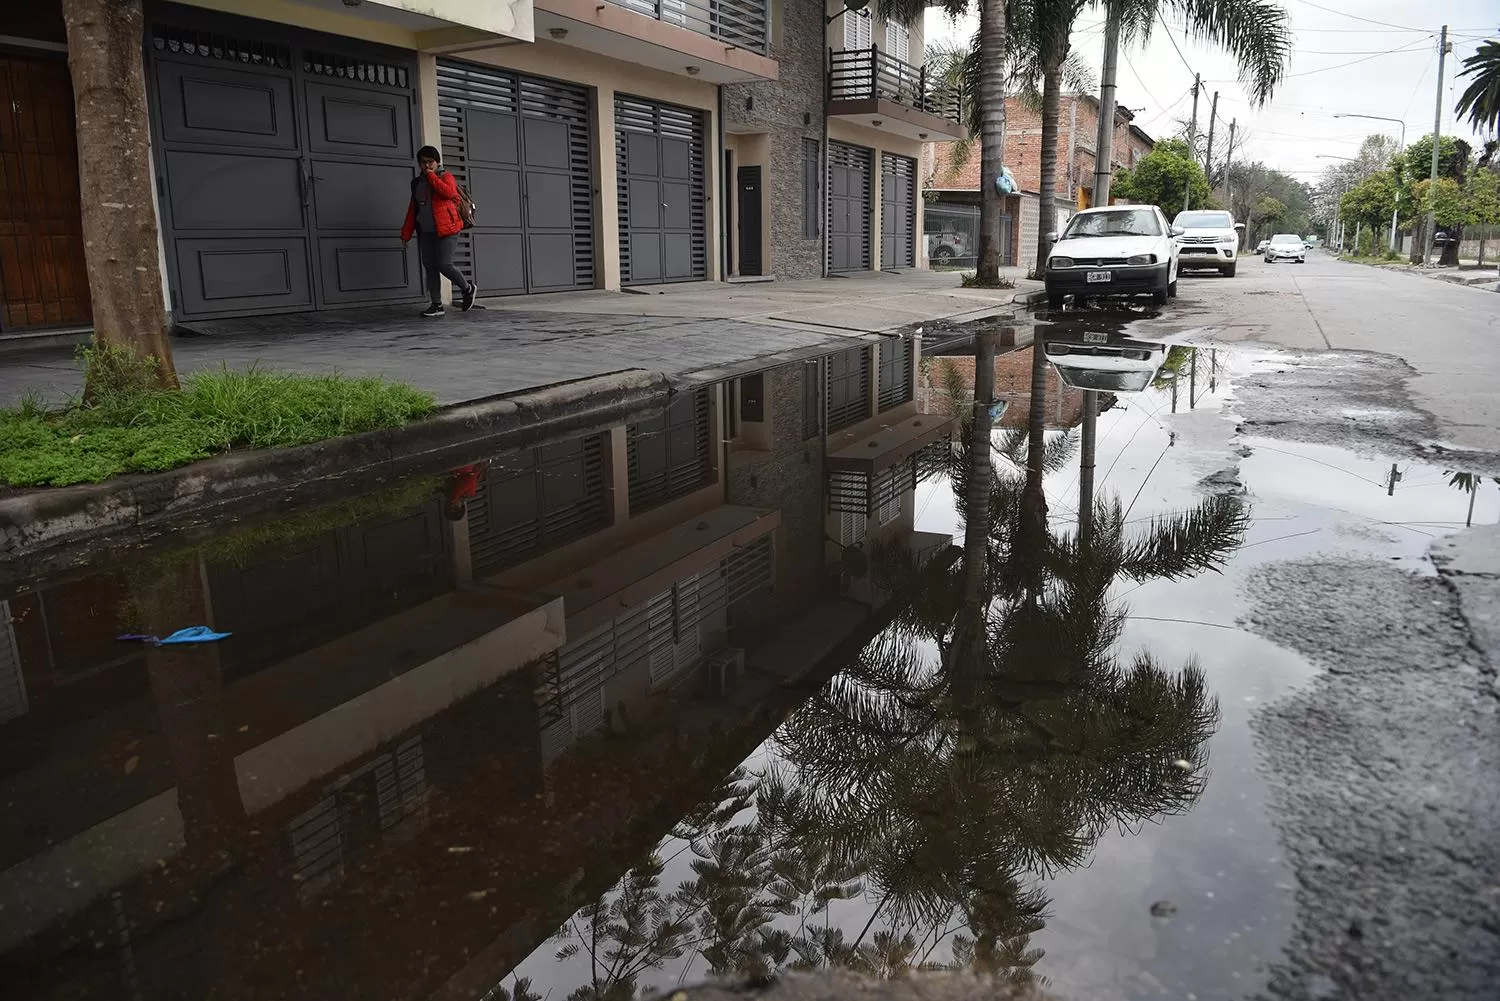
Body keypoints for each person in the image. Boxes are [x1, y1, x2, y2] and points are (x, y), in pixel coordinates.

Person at [401, 145, 477, 317]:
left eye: (430, 162)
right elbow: (413, 210)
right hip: (426, 231)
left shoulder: (446, 176)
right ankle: (437, 305)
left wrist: (431, 176)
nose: (427, 166)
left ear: (437, 162)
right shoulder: (417, 183)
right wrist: (406, 234)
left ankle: (467, 288)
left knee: (444, 264)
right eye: (423, 163)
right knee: (430, 266)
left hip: (448, 229)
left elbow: (448, 192)